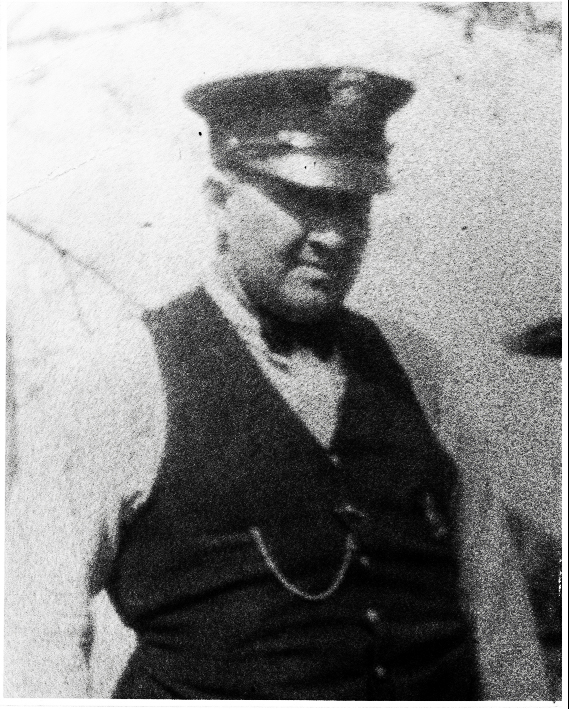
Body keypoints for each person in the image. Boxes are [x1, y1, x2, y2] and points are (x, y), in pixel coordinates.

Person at [4, 67, 554, 700]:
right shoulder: (121, 378)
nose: (334, 237)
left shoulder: (417, 369)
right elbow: (33, 628)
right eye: (303, 202)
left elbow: (497, 613)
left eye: (353, 205)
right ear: (220, 200)